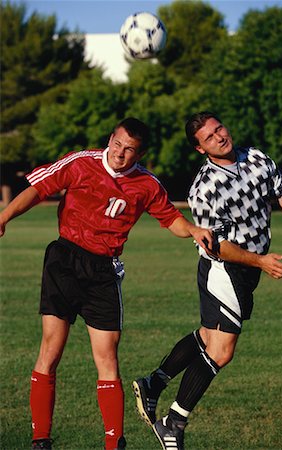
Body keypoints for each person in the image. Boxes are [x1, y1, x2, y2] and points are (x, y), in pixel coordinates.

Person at [0, 117, 214, 450]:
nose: (120, 154)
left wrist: (194, 230)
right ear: (109, 140)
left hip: (103, 273)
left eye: (129, 150)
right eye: (117, 144)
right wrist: (4, 217)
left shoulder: (146, 184)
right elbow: (38, 189)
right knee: (50, 351)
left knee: (107, 358)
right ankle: (40, 440)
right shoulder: (81, 162)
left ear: (139, 154)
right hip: (64, 262)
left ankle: (114, 443)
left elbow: (170, 218)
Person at [132, 111, 282, 450]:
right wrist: (262, 261)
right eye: (209, 137)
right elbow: (218, 247)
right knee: (221, 351)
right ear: (200, 149)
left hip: (248, 269)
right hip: (223, 269)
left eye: (219, 128)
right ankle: (173, 423)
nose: (219, 136)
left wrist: (259, 262)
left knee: (208, 336)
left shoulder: (256, 158)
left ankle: (154, 383)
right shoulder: (203, 188)